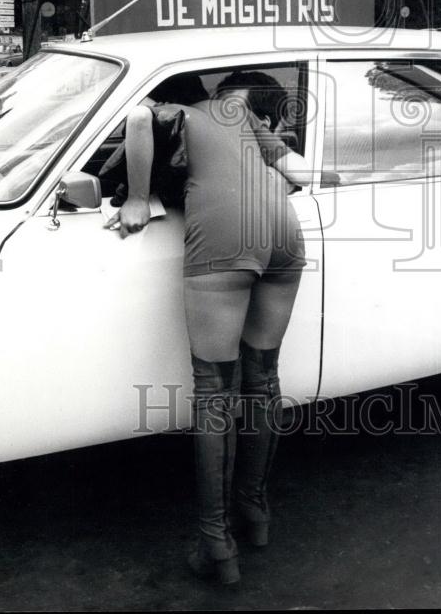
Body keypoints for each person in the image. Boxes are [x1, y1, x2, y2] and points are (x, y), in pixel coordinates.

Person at [109, 71, 312, 585]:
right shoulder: (240, 116)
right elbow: (304, 173)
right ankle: (256, 512)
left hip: (224, 242)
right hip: (285, 233)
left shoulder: (176, 113)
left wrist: (136, 197)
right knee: (263, 378)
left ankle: (216, 542)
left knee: (215, 391)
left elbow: (135, 118)